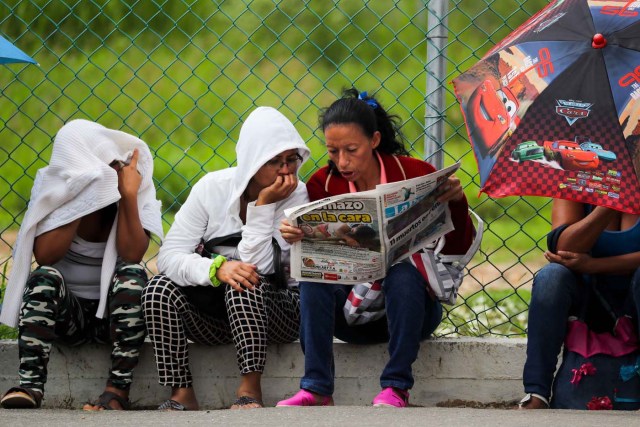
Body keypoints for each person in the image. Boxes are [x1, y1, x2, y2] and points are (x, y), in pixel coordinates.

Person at [276, 89, 474, 407]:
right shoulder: (322, 184)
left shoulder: (415, 174)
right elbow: (312, 256)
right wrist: (294, 235)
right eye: (333, 151)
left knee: (403, 273)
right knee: (313, 279)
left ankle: (396, 387)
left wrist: (457, 203)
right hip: (351, 312)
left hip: (412, 311)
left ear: (375, 140)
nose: (342, 161)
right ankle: (316, 386)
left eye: (351, 150)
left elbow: (456, 247)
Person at [142, 106, 310, 411]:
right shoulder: (212, 189)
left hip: (279, 312)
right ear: (252, 162)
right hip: (217, 318)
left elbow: (262, 266)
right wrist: (216, 268)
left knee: (246, 279)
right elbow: (169, 256)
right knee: (157, 290)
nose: (286, 171)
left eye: (292, 160)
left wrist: (263, 205)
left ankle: (250, 389)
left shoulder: (297, 195)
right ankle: (182, 393)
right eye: (274, 162)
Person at [0, 119, 163, 410]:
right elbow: (47, 256)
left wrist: (126, 197)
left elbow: (133, 253)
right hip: (68, 315)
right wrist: (80, 195)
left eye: (113, 164)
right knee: (43, 278)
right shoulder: (55, 186)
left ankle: (117, 391)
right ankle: (30, 387)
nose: (110, 171)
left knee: (133, 276)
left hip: (113, 318)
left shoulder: (133, 188)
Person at [519, 200, 640, 409]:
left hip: (634, 298)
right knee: (551, 277)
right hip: (588, 298)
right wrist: (610, 201)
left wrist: (594, 265)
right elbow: (563, 248)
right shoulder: (577, 174)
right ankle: (537, 393)